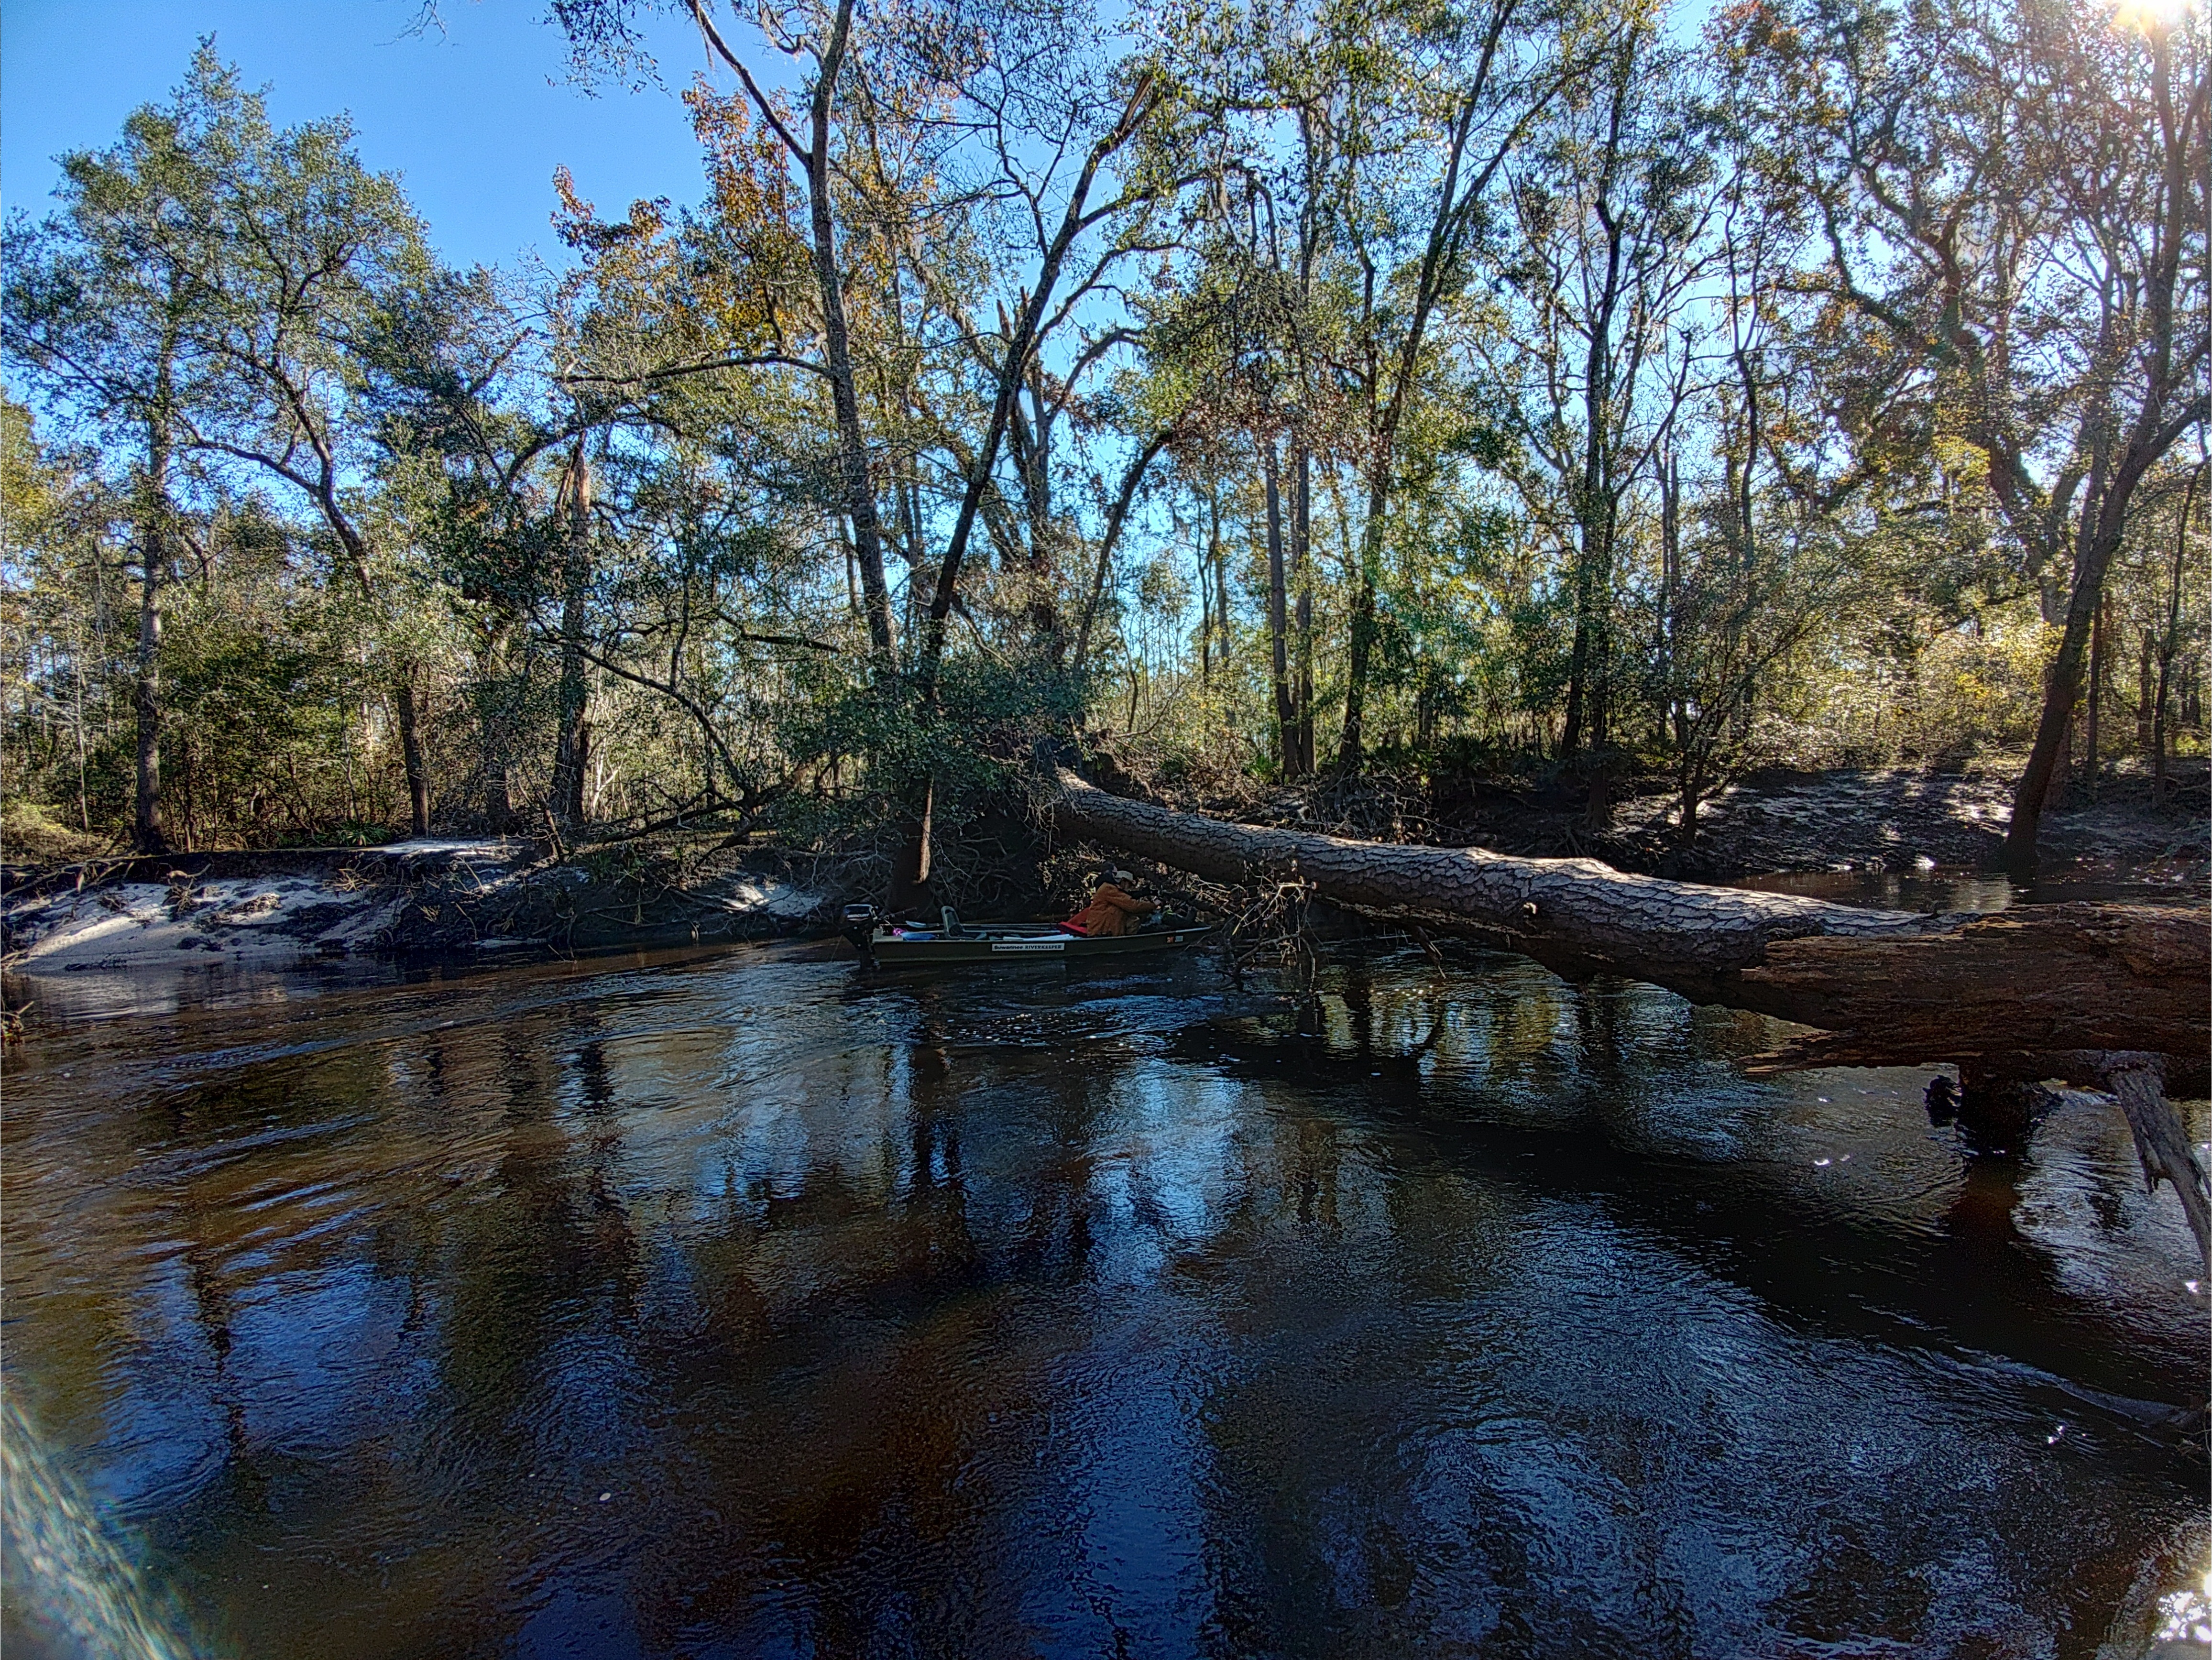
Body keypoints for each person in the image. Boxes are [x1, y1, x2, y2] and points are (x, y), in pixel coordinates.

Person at [1066, 869, 1158, 938]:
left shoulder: (1113, 890)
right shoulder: (1109, 889)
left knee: (1134, 920)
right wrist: (1154, 905)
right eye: (1129, 884)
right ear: (1123, 881)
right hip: (1100, 931)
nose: (1130, 888)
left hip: (1104, 928)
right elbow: (1132, 906)